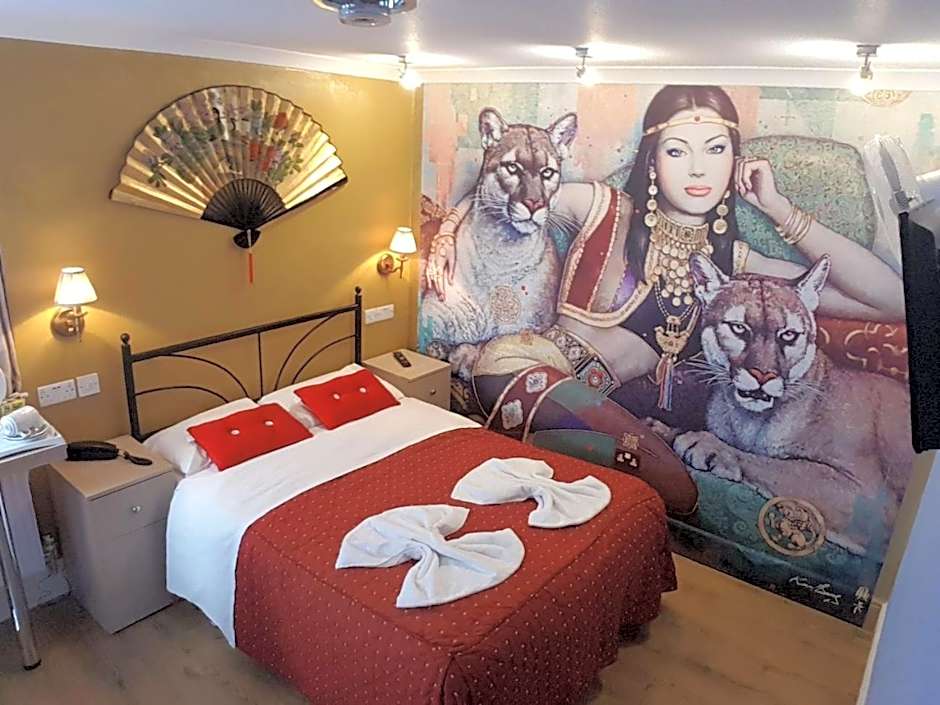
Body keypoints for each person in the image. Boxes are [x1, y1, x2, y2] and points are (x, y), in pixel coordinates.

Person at [423, 85, 905, 515]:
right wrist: (446, 233)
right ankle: (636, 456)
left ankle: (620, 463)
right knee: (504, 372)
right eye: (677, 151)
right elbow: (498, 187)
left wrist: (779, 208)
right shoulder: (603, 207)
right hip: (530, 368)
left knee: (663, 483)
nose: (698, 168)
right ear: (652, 160)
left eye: (716, 149)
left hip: (608, 408)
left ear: (734, 161)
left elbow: (890, 301)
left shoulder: (733, 268)